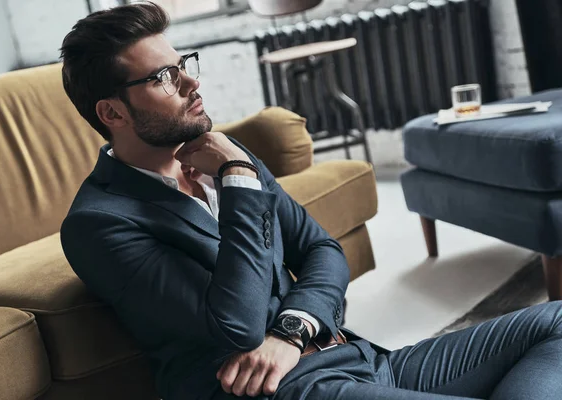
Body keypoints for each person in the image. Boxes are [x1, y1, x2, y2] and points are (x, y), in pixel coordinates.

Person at [59, 2, 562, 399]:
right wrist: (236, 180)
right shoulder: (101, 222)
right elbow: (236, 324)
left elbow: (322, 251)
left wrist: (292, 331)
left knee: (556, 321)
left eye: (182, 64)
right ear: (112, 112)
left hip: (363, 360)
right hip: (285, 390)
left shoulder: (224, 156)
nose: (192, 82)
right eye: (163, 77)